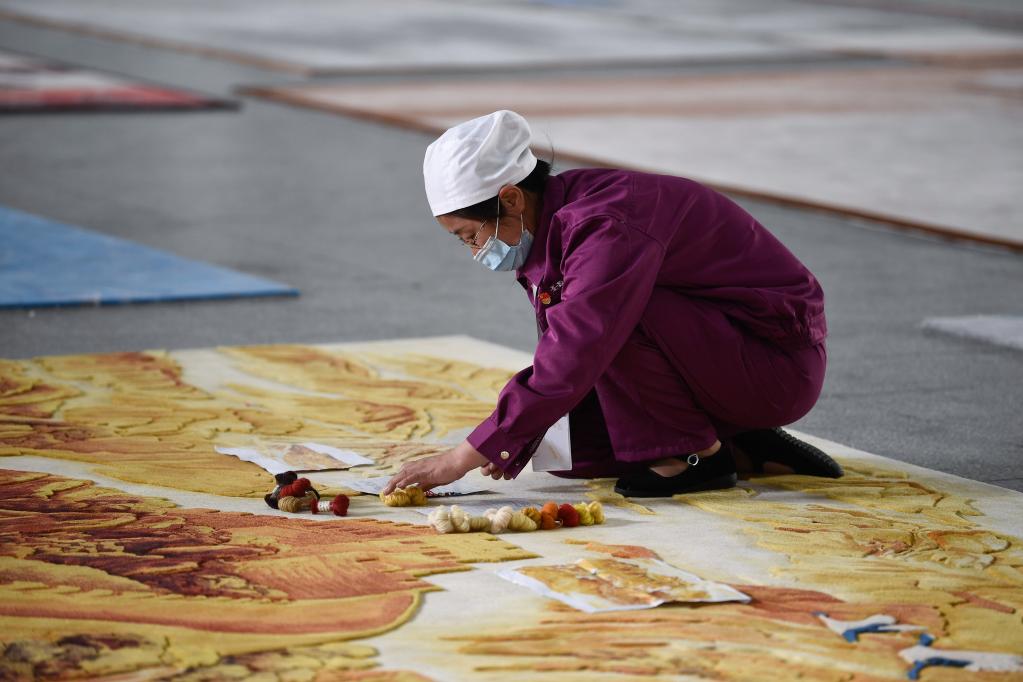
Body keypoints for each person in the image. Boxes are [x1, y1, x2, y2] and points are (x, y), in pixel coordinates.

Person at [383, 110, 841, 499]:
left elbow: (579, 346)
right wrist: (510, 435)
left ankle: (695, 457)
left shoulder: (606, 225)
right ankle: (739, 443)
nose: (475, 251)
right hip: (723, 352)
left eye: (471, 235)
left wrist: (462, 457)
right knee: (575, 451)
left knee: (612, 317)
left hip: (777, 365)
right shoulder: (554, 219)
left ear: (511, 198)